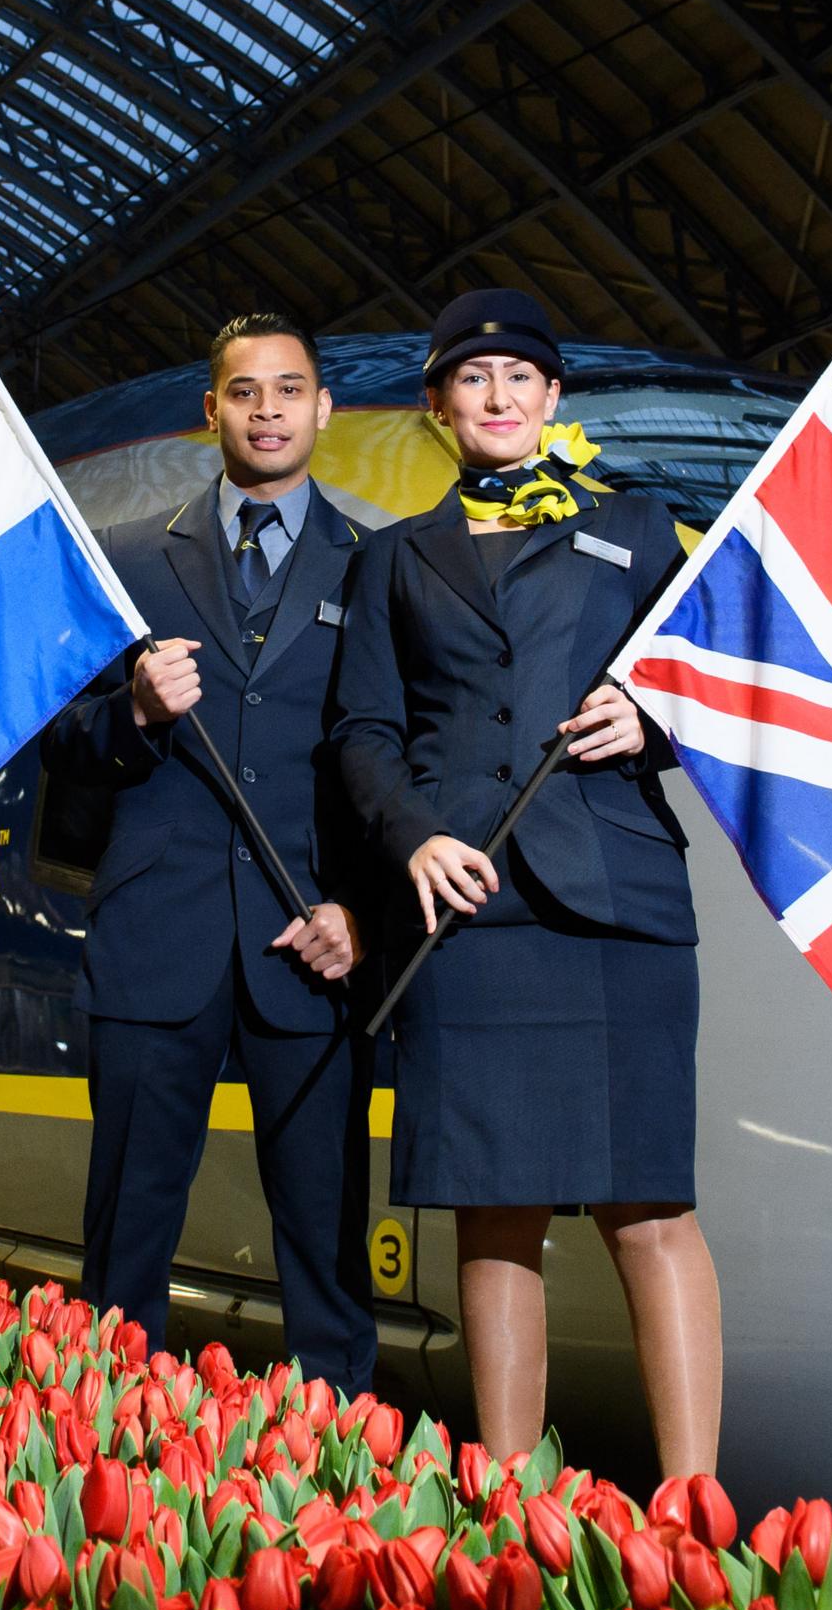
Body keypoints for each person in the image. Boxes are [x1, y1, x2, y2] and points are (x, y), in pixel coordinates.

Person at [329, 286, 720, 1478]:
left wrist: (656, 716)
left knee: (648, 1206)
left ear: (554, 398)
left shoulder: (640, 528)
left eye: (520, 377)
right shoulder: (392, 561)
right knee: (493, 1211)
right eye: (471, 378)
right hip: (470, 910)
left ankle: (692, 1503)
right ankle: (506, 1499)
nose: (498, 396)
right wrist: (412, 840)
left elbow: (720, 678)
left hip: (617, 903)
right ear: (436, 408)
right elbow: (360, 731)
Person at [40, 315, 376, 1391]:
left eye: (289, 390)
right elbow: (62, 745)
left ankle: (338, 1468)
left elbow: (392, 767)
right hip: (157, 941)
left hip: (307, 944)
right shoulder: (131, 558)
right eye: (245, 392)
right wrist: (131, 712)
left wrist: (360, 907)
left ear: (323, 409)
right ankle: (109, 1457)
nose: (267, 410)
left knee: (327, 1247)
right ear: (212, 412)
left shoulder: (378, 570)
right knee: (128, 1233)